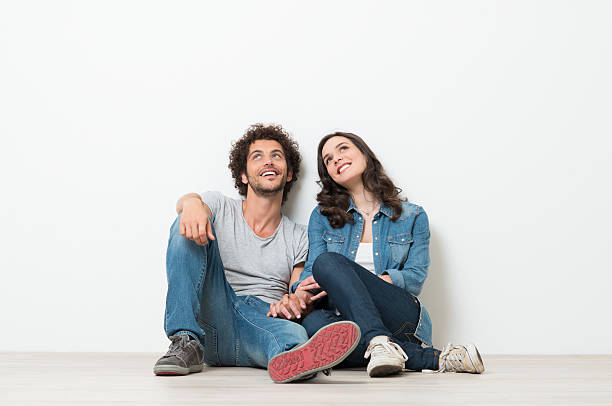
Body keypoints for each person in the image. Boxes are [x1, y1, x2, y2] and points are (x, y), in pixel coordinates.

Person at [154, 124, 360, 383]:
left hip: (262, 322)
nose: (268, 161)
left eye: (276, 155)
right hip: (214, 314)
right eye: (257, 156)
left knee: (291, 335)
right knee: (187, 225)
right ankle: (184, 340)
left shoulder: (299, 236)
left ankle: (295, 358)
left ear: (288, 174)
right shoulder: (219, 205)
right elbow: (189, 208)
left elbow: (297, 289)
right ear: (243, 175)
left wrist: (297, 301)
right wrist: (191, 202)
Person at [268, 132, 484, 377]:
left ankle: (379, 338)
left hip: (400, 317)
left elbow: (414, 278)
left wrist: (352, 281)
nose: (336, 159)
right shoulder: (322, 217)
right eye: (328, 160)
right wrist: (298, 294)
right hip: (344, 321)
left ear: (365, 154)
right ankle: (432, 357)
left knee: (329, 262)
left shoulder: (412, 216)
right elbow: (311, 275)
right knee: (315, 325)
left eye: (343, 149)